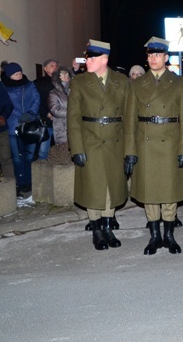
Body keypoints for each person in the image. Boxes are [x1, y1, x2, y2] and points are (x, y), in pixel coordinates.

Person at [124, 36, 183, 255]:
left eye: (158, 55)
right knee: (149, 193)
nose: (153, 59)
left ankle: (169, 236)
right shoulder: (136, 84)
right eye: (150, 55)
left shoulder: (179, 83)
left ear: (166, 57)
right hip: (145, 145)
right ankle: (154, 237)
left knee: (170, 192)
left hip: (170, 143)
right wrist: (130, 152)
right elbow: (129, 121)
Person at [67, 40, 130, 250]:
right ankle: (97, 230)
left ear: (104, 59)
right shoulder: (80, 82)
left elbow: (129, 118)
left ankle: (108, 227)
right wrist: (77, 149)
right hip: (90, 140)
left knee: (111, 188)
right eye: (87, 57)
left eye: (91, 57)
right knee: (94, 188)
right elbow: (73, 118)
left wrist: (129, 151)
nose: (87, 61)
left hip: (115, 142)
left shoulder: (121, 81)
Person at [2, 62, 40, 201]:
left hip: (29, 125)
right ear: (9, 75)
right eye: (15, 74)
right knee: (17, 158)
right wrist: (18, 116)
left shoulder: (29, 85)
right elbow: (6, 105)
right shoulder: (4, 88)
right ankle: (20, 183)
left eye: (20, 73)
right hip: (13, 126)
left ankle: (29, 183)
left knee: (29, 156)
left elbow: (37, 99)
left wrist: (30, 114)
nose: (19, 76)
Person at [33, 58, 59, 160]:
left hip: (60, 121)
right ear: (45, 69)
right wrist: (47, 113)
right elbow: (36, 102)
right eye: (52, 65)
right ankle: (42, 173)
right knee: (44, 150)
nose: (55, 67)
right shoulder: (38, 83)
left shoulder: (62, 82)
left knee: (60, 149)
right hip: (46, 121)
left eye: (56, 65)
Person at [47, 67, 73, 145]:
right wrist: (72, 112)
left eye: (67, 75)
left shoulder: (74, 90)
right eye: (63, 75)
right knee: (64, 152)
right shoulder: (54, 93)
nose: (66, 77)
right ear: (58, 78)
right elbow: (54, 111)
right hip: (62, 127)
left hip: (75, 126)